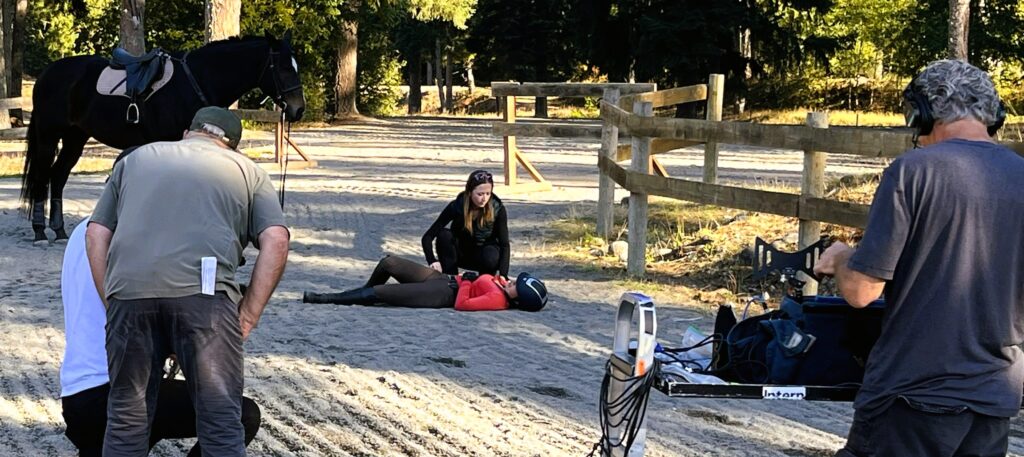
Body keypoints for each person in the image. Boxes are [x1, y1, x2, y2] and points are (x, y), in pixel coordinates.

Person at [813, 60, 1022, 457]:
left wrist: (842, 258)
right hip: (994, 397)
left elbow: (861, 291)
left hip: (911, 394)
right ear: (993, 115)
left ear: (924, 114)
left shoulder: (912, 171)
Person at [86, 106, 290, 457]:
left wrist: (113, 298)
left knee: (126, 420)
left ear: (187, 132)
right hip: (205, 298)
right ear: (232, 146)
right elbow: (277, 240)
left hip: (129, 295)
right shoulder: (248, 171)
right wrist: (249, 314)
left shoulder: (136, 159)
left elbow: (95, 234)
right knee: (221, 422)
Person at [60, 216, 262, 457]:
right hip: (116, 391)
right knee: (242, 415)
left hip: (76, 393)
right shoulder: (135, 233)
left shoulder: (83, 230)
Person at [301, 255, 547, 312]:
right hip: (443, 279)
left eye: (516, 285)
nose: (511, 281)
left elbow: (462, 305)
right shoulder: (502, 286)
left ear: (517, 299)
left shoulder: (497, 300)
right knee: (389, 263)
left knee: (381, 293)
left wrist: (467, 283)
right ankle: (358, 293)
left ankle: (326, 298)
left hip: (441, 293)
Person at [422, 170, 510, 278]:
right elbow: (427, 236)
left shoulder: (498, 209)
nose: (484, 199)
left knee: (491, 253)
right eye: (480, 194)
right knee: (444, 235)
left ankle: (485, 281)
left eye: (488, 194)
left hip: (484, 256)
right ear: (469, 192)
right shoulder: (457, 206)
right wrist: (432, 260)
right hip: (461, 253)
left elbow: (504, 244)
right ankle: (451, 279)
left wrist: (503, 275)